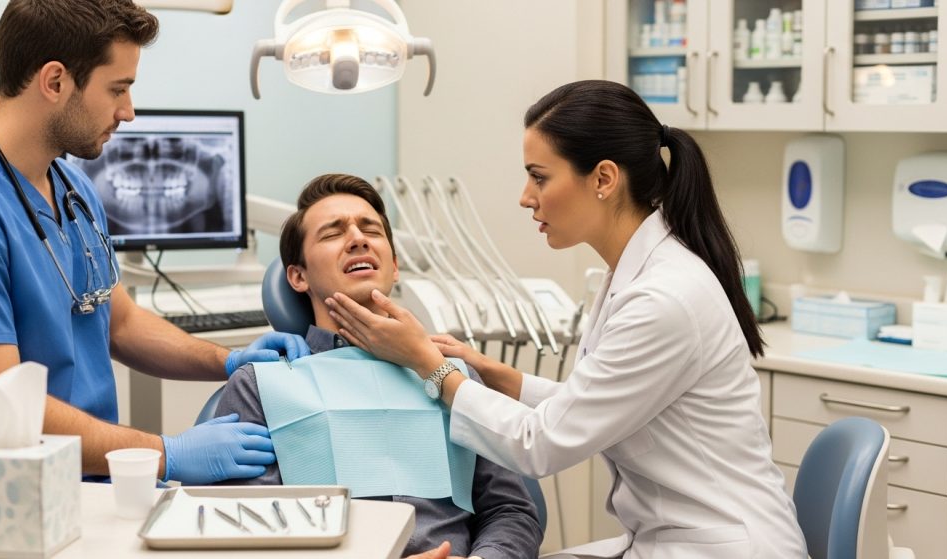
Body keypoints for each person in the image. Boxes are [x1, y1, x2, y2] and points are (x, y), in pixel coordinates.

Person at [325, 81, 808, 558]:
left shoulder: (663, 298)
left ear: (603, 179)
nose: (525, 197)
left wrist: (431, 366)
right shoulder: (633, 275)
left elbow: (541, 445)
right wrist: (496, 375)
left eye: (539, 177)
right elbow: (595, 402)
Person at [0, 0, 308, 540]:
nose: (128, 111)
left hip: (91, 493)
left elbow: (120, 322)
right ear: (55, 81)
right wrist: (165, 452)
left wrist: (227, 361)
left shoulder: (74, 189)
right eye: (117, 89)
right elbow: (1, 415)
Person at [216, 174, 542, 559]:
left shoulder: (451, 378)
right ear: (298, 276)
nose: (358, 239)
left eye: (370, 229)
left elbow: (511, 511)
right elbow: (243, 530)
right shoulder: (260, 386)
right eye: (333, 233)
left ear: (395, 266)